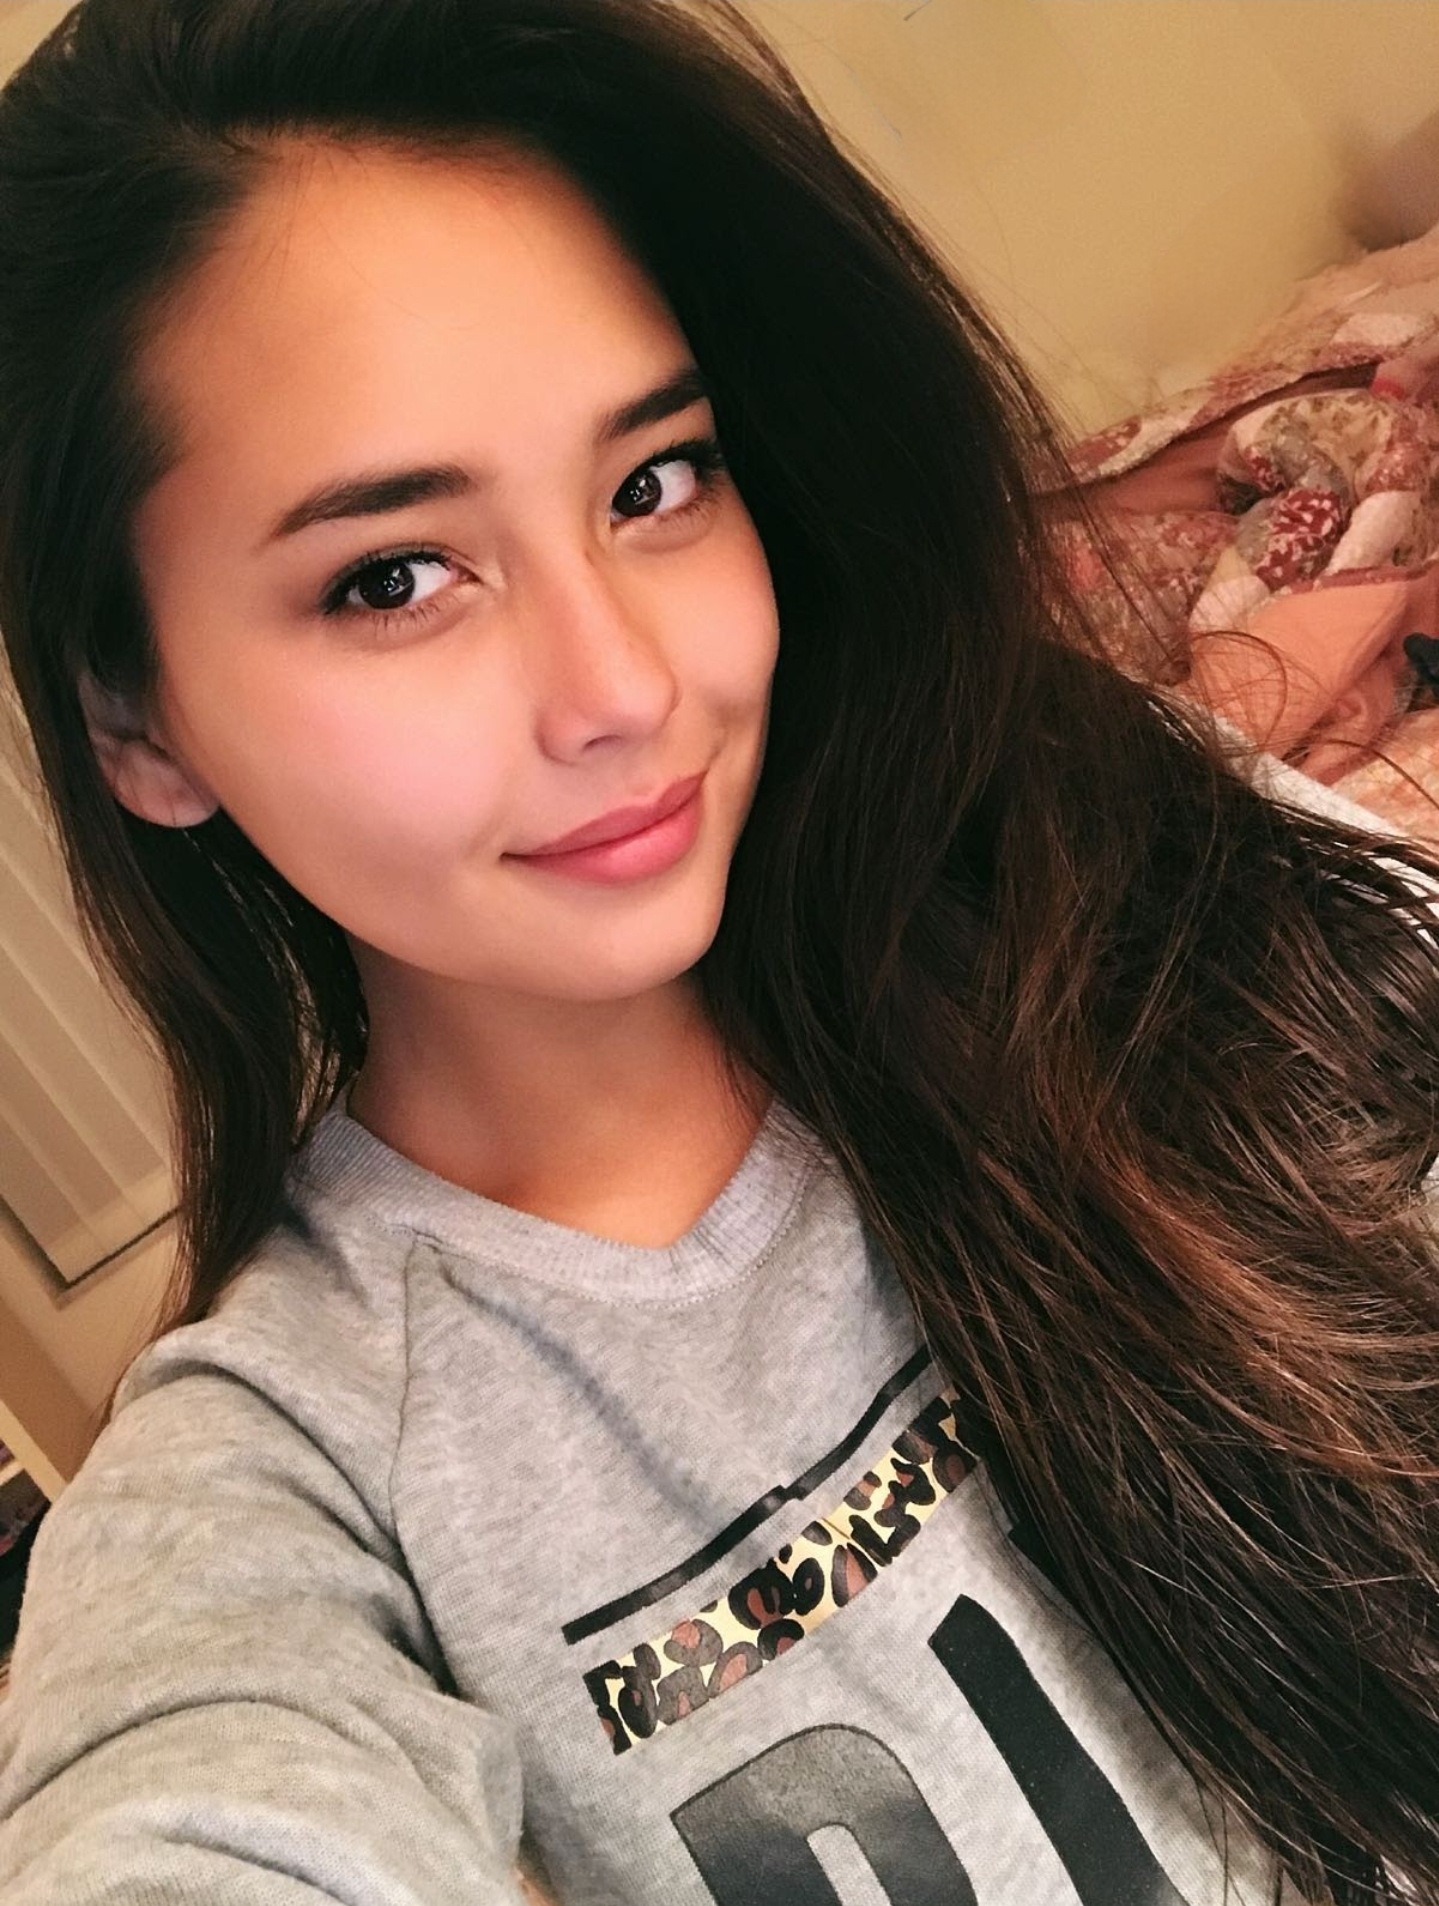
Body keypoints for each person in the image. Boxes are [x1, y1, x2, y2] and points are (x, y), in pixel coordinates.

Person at [0, 1, 1436, 1901]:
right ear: (139, 721)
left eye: (653, 481)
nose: (624, 685)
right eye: (392, 576)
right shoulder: (295, 1475)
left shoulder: (1092, 842)